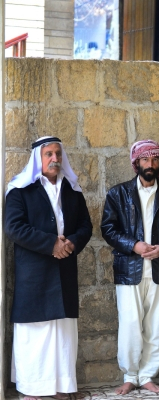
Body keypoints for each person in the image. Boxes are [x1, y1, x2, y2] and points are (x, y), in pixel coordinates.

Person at [5, 136, 93, 400]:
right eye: (48, 155)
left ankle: (60, 387)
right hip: (34, 271)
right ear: (38, 159)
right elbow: (14, 228)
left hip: (64, 267)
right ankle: (32, 390)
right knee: (36, 333)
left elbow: (86, 227)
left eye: (57, 154)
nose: (54, 159)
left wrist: (71, 244)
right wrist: (51, 243)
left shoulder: (72, 190)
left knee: (63, 332)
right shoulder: (20, 189)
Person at [101, 139, 159, 394]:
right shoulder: (118, 194)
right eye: (144, 160)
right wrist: (133, 245)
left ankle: (148, 375)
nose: (149, 165)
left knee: (158, 325)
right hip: (130, 270)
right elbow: (108, 228)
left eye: (154, 160)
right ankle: (130, 376)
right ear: (136, 163)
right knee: (130, 325)